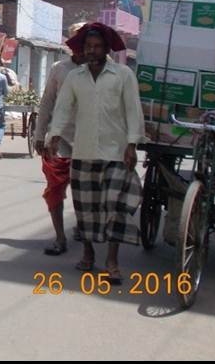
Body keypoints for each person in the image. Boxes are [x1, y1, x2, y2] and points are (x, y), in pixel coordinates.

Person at [48, 23, 145, 284]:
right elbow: (63, 109)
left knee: (115, 207)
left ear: (106, 48)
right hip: (84, 152)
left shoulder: (123, 75)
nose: (92, 51)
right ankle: (88, 252)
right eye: (88, 46)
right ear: (83, 49)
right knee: (85, 209)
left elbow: (134, 110)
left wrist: (132, 144)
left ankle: (112, 260)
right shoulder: (74, 78)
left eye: (97, 46)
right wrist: (53, 134)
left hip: (116, 153)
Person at [33, 22, 86, 256]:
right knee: (55, 187)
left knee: (84, 190)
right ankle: (60, 238)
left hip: (89, 139)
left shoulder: (105, 69)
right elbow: (46, 102)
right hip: (59, 138)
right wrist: (39, 133)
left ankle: (84, 230)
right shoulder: (59, 69)